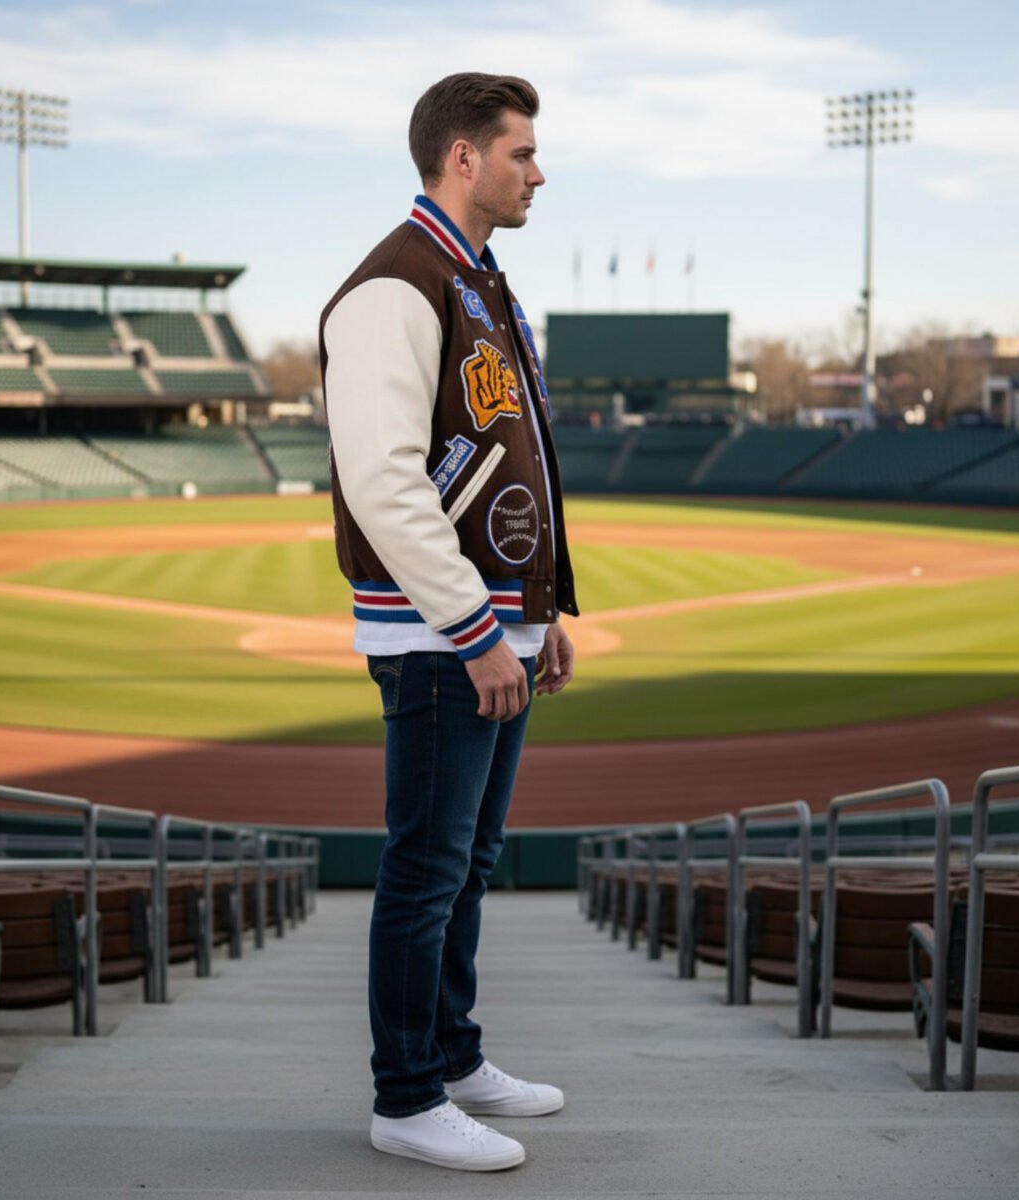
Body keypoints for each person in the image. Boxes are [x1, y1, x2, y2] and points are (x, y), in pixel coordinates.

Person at [319, 72, 578, 1172]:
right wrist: (477, 631)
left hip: (493, 623)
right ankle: (406, 1097)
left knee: (470, 863)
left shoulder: (481, 280)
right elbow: (381, 478)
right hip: (438, 639)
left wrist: (541, 609)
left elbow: (518, 453)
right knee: (425, 869)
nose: (538, 170)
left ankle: (457, 1057)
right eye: (521, 151)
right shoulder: (396, 283)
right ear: (462, 158)